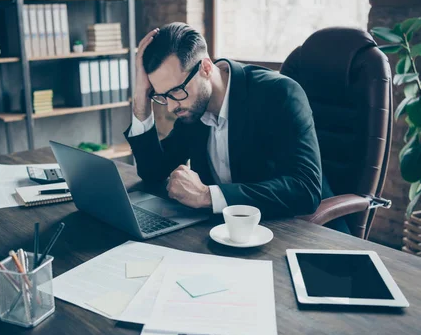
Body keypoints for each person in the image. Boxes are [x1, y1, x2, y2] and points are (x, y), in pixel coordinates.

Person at [124, 22, 323, 219]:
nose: (170, 107)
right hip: (221, 232)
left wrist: (207, 196)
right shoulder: (190, 107)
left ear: (206, 68)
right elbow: (153, 172)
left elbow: (306, 190)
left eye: (176, 91)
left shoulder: (279, 94)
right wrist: (141, 100)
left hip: (289, 229)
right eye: (162, 96)